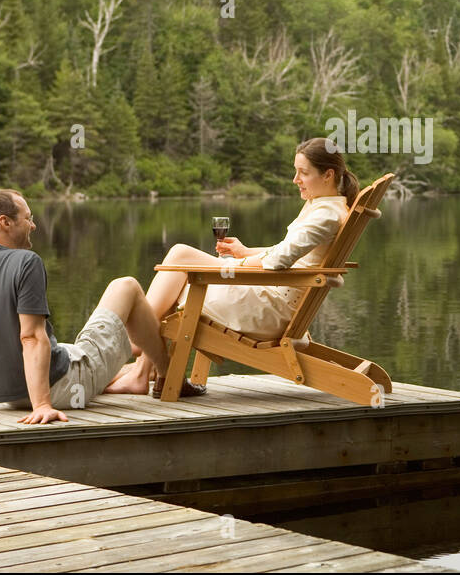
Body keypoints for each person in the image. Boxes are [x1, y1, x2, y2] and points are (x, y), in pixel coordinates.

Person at [0, 188, 203, 427]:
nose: (33, 226)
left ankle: (134, 373)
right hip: (59, 387)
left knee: (73, 345)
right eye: (28, 219)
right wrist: (43, 404)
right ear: (5, 222)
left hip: (8, 395)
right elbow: (31, 338)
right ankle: (166, 375)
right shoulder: (25, 263)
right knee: (127, 287)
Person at [107, 137, 358, 394]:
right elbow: (289, 253)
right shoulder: (323, 207)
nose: (295, 179)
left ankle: (137, 347)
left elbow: (279, 260)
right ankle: (143, 368)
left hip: (271, 310)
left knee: (180, 257)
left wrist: (239, 263)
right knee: (177, 272)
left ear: (328, 175)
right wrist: (244, 252)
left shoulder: (325, 215)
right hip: (274, 297)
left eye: (303, 173)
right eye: (296, 171)